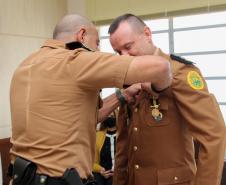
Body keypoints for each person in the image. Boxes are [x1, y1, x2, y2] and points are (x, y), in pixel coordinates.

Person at [9, 14, 172, 185]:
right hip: (59, 180)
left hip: (22, 177)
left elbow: (85, 117)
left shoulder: (25, 65)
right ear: (82, 36)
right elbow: (161, 67)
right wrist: (156, 91)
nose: (98, 50)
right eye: (97, 43)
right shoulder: (76, 60)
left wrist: (122, 95)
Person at [108, 13, 226, 185]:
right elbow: (124, 143)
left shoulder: (180, 73)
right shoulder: (129, 81)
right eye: (118, 52)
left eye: (128, 46)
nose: (124, 57)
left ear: (147, 34)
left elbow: (213, 135)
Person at [93, 116, 117, 185]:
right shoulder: (97, 136)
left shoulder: (124, 135)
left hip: (120, 175)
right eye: (108, 115)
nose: (110, 117)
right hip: (101, 175)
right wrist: (100, 170)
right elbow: (92, 162)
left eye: (112, 115)